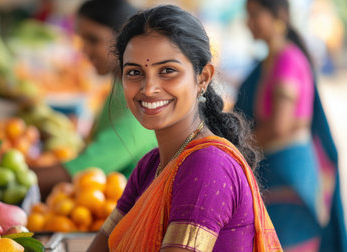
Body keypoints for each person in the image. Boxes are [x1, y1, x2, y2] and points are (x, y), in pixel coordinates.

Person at [87, 5, 282, 251]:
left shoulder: (208, 165)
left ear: (203, 77)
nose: (148, 88)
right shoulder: (150, 165)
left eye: (167, 71)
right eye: (135, 72)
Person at [235, 0, 347, 251]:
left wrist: (233, 149)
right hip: (271, 174)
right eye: (247, 15)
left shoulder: (287, 59)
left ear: (279, 15)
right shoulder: (268, 62)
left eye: (254, 15)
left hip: (288, 178)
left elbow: (278, 126)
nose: (248, 22)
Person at [33, 0, 157, 199]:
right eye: (82, 40)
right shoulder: (120, 86)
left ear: (125, 41)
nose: (85, 50)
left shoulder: (141, 103)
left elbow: (84, 170)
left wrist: (18, 179)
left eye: (93, 40)